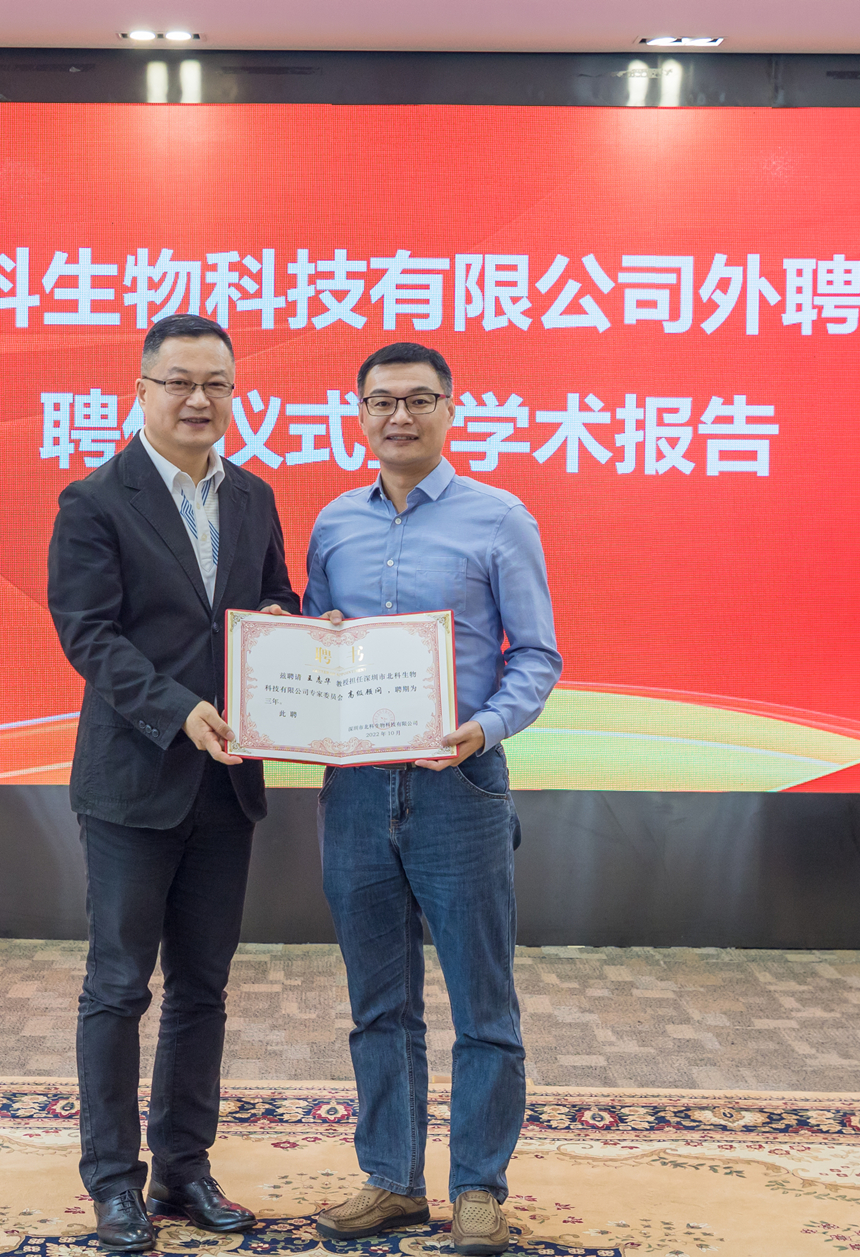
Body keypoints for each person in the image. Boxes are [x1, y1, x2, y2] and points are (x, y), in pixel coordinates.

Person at [303, 343, 562, 1256]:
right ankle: (392, 1180)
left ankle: (479, 1186)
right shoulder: (334, 522)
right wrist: (316, 640)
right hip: (357, 791)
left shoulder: (500, 518)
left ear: (451, 410)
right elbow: (318, 642)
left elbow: (537, 656)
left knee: (483, 1002)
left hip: (460, 784)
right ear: (359, 414)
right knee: (378, 1001)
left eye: (419, 399)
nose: (399, 416)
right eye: (382, 401)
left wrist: (483, 728)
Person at [47, 313, 300, 1251]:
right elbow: (90, 634)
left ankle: (184, 1167)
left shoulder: (255, 496)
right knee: (118, 986)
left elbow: (273, 599)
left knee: (203, 987)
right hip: (133, 780)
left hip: (226, 783)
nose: (200, 400)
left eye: (217, 384)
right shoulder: (94, 501)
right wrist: (176, 708)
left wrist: (290, 628)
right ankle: (114, 1181)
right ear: (143, 390)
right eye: (181, 382)